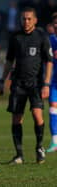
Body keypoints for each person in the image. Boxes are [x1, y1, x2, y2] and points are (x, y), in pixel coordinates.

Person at [0, 7, 53, 164]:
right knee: (16, 119)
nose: (26, 21)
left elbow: (48, 61)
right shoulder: (15, 37)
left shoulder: (41, 36)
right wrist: (3, 80)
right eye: (24, 18)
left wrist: (47, 84)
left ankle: (39, 147)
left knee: (37, 116)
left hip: (36, 83)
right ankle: (19, 155)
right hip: (18, 83)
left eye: (29, 18)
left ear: (35, 20)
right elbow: (9, 60)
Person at [47, 12, 57, 152]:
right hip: (54, 81)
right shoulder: (49, 40)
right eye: (55, 22)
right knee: (53, 107)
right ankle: (55, 141)